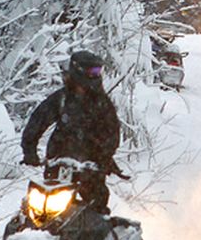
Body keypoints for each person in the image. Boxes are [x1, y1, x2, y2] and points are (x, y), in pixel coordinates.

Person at [21, 51, 124, 214]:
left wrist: (103, 158)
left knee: (96, 210)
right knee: (43, 208)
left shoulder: (102, 104)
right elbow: (37, 121)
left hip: (91, 167)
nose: (96, 76)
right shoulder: (61, 99)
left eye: (98, 72)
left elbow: (112, 133)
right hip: (59, 164)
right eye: (93, 72)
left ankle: (95, 235)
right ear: (79, 71)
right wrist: (29, 151)